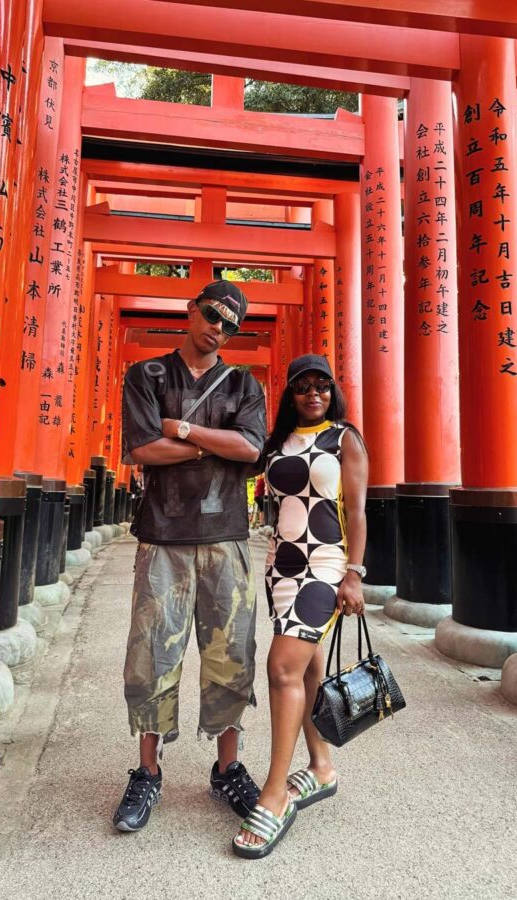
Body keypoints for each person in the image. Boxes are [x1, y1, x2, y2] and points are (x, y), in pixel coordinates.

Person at [114, 280, 267, 833]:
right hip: (162, 536)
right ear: (190, 309)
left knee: (232, 654)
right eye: (211, 315)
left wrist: (181, 429)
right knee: (153, 652)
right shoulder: (147, 375)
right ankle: (147, 771)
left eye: (230, 325)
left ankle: (227, 767)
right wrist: (214, 440)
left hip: (226, 537)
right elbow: (142, 449)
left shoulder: (245, 383)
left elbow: (252, 449)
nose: (217, 329)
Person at [233, 354, 368, 859]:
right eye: (303, 387)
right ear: (289, 395)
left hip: (326, 566)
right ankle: (321, 766)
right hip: (281, 567)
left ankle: (274, 794)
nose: (314, 395)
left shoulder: (344, 438)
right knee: (308, 671)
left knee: (281, 668)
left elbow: (356, 511)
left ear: (332, 392)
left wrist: (354, 573)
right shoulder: (278, 443)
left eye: (322, 387)